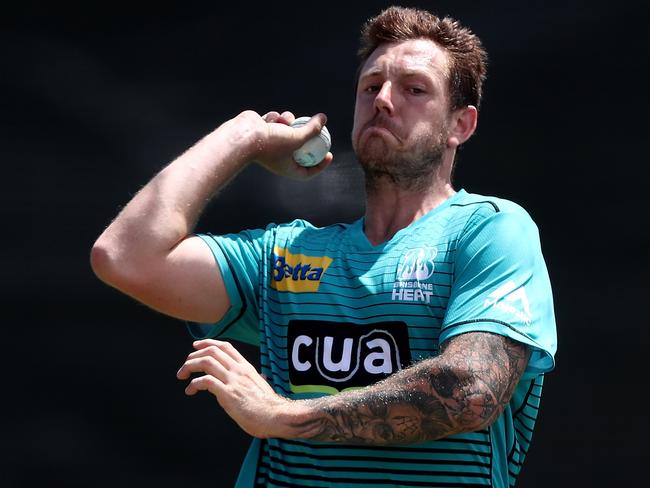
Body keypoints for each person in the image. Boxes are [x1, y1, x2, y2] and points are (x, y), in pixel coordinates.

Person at [91, 5, 557, 487]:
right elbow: (126, 256)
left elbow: (470, 390)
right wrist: (243, 137)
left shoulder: (489, 230)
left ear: (461, 125)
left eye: (414, 89)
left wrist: (282, 415)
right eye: (370, 86)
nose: (383, 100)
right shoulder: (284, 254)